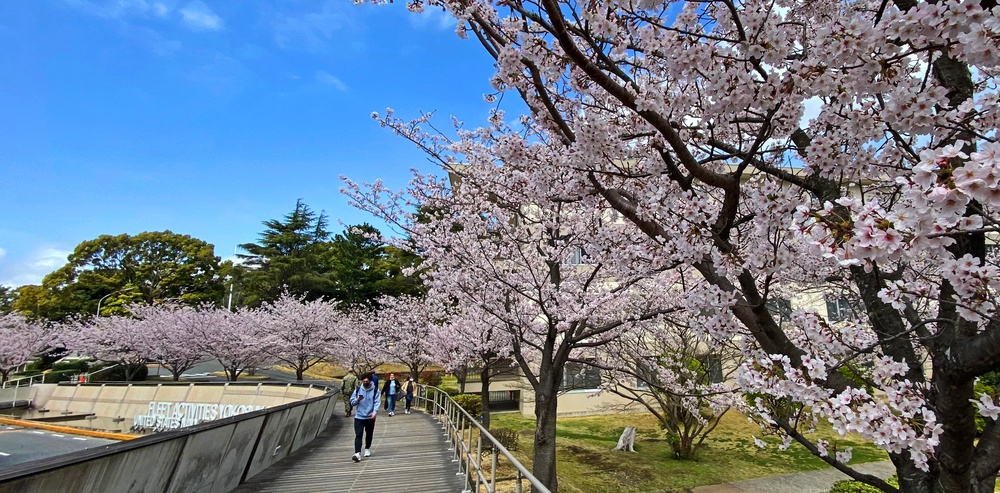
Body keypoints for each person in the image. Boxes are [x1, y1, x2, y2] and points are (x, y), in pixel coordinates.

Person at [349, 372, 379, 462]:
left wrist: (375, 412)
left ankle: (367, 448)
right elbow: (352, 402)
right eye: (363, 381)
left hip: (370, 417)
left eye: (367, 381)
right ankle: (357, 453)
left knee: (369, 434)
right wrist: (358, 399)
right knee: (358, 434)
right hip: (359, 416)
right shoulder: (358, 390)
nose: (365, 383)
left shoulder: (375, 390)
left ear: (370, 381)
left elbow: (377, 402)